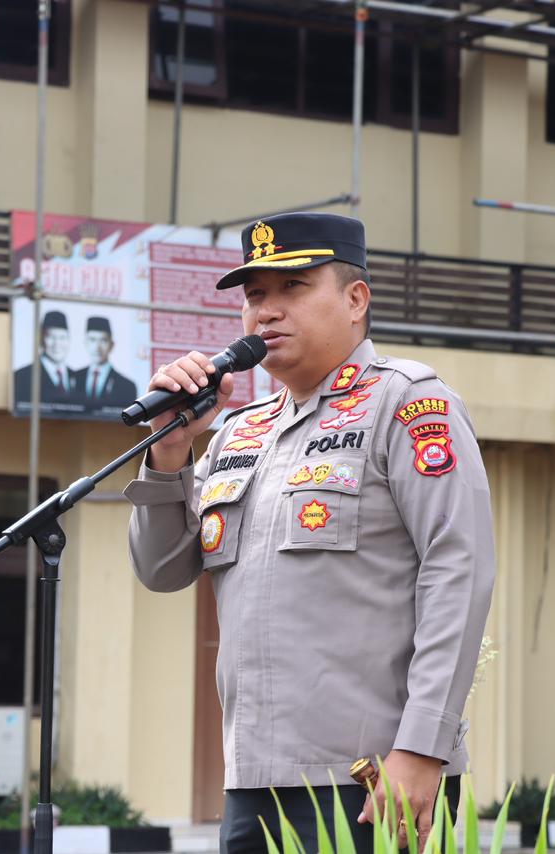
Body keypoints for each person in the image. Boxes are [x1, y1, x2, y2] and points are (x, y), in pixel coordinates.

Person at [123, 213, 496, 853]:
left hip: (372, 780)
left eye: (293, 287)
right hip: (253, 781)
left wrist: (421, 748)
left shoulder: (408, 403)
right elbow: (162, 569)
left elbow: (458, 571)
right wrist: (170, 451)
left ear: (356, 300)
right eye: (254, 295)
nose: (267, 311)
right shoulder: (239, 431)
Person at [13, 309, 81, 405]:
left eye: (62, 337)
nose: (57, 344)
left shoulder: (79, 378)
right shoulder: (21, 377)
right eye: (51, 337)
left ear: (69, 340)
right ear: (41, 339)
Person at [76, 316, 138, 410]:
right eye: (92, 340)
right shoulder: (74, 378)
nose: (97, 347)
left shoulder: (127, 386)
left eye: (103, 340)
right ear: (85, 343)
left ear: (111, 345)